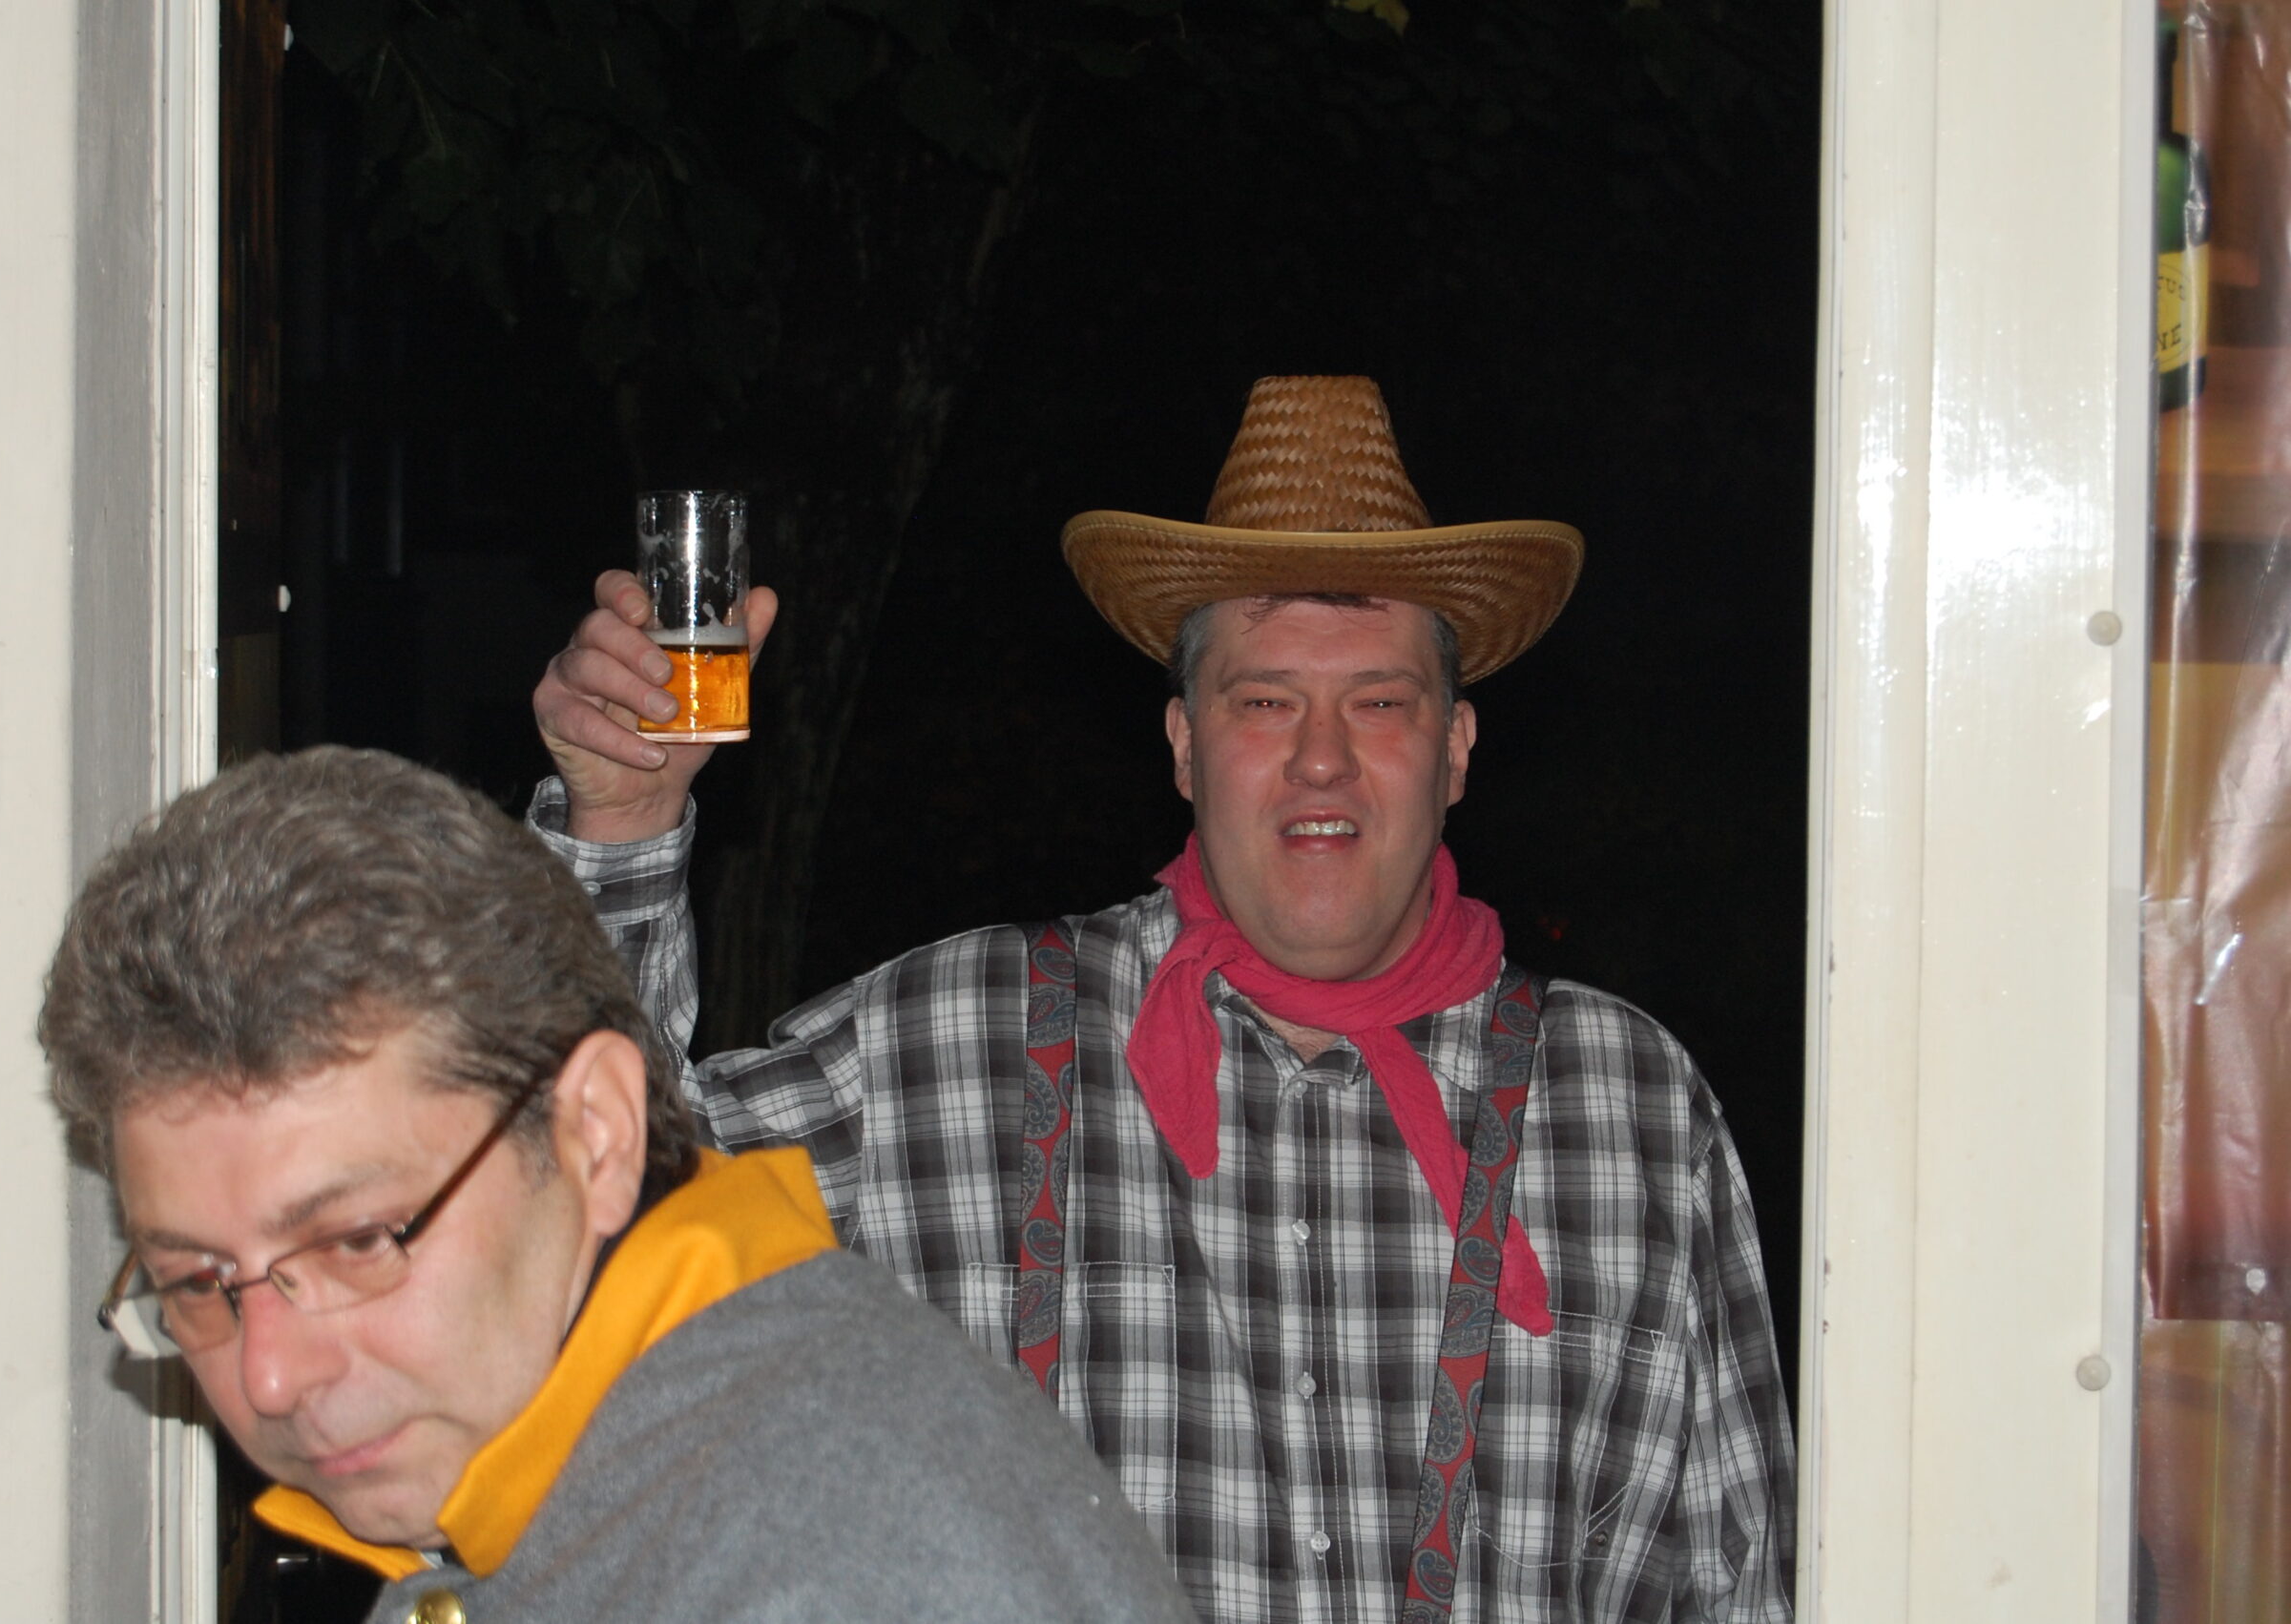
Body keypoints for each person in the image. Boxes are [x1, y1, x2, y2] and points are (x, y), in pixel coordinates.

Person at [531, 375, 1797, 1623]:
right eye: (1264, 701)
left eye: (1378, 701)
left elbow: (1751, 1585)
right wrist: (621, 828)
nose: (1320, 756)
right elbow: (585, 1218)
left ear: (1456, 749)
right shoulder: (959, 1046)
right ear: (1185, 745)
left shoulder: (1628, 1106)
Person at [38, 746, 1198, 1624]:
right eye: (198, 1282)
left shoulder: (844, 1565)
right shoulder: (623, 1463)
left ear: (594, 1133)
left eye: (355, 1240)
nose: (270, 1374)